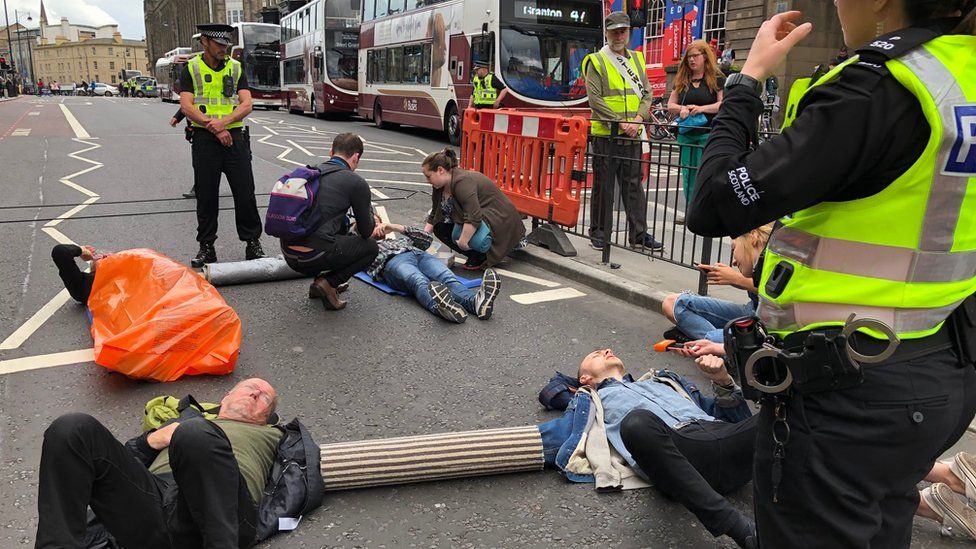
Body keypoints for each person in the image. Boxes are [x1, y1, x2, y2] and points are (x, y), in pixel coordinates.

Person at [687, 2, 976, 546]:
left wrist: (747, 81)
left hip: (848, 392)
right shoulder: (962, 76)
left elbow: (713, 201)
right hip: (942, 375)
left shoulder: (879, 88)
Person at [34, 378, 324, 548]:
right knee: (72, 429)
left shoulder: (275, 435)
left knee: (196, 435)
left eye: (264, 399)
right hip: (153, 502)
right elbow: (115, 467)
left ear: (267, 416)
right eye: (250, 387)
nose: (255, 394)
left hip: (220, 508)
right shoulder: (187, 420)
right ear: (226, 397)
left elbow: (301, 474)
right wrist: (152, 441)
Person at [539, 349, 758, 548]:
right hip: (680, 453)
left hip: (726, 440)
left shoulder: (664, 381)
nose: (607, 350)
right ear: (584, 379)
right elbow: (554, 437)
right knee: (637, 422)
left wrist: (723, 381)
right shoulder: (591, 400)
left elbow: (738, 420)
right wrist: (506, 450)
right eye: (596, 354)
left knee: (783, 409)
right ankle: (741, 529)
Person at [180, 23, 265, 268]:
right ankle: (207, 247)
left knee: (245, 193)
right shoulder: (191, 68)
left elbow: (247, 104)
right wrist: (213, 126)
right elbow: (187, 105)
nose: (223, 49)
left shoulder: (236, 68)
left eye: (226, 44)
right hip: (205, 140)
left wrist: (224, 124)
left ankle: (252, 244)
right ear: (204, 42)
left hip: (235, 138)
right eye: (218, 44)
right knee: (206, 196)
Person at [582, 12, 664, 252]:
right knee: (603, 186)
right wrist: (622, 122)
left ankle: (639, 234)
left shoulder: (638, 59)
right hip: (607, 134)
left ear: (629, 33)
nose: (619, 35)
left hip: (633, 133)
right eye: (614, 31)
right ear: (606, 33)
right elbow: (595, 100)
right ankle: (599, 232)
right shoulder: (595, 60)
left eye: (623, 31)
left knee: (633, 186)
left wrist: (638, 119)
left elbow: (647, 94)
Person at [280, 132, 379, 311]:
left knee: (338, 227)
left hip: (288, 253)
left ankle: (318, 283)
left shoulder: (310, 172)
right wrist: (369, 212)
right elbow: (366, 232)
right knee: (371, 248)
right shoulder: (355, 182)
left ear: (330, 152)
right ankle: (328, 282)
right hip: (313, 256)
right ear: (356, 157)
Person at [361, 215, 503, 323]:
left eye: (379, 223)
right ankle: (441, 308)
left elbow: (427, 239)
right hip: (391, 261)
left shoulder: (399, 240)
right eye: (372, 224)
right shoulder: (362, 247)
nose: (378, 227)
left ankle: (476, 303)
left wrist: (395, 227)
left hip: (418, 254)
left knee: (446, 277)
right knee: (419, 281)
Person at [662, 224, 772, 343]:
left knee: (732, 340)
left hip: (764, 326)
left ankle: (709, 342)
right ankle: (714, 341)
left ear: (753, 237)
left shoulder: (780, 260)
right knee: (672, 303)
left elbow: (775, 294)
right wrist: (729, 278)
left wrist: (735, 278)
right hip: (751, 311)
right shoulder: (762, 260)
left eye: (733, 248)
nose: (734, 262)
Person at [422, 148, 526, 270]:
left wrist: (462, 242)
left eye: (428, 176)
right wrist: (423, 237)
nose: (427, 181)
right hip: (481, 216)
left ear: (440, 170)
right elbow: (435, 212)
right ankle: (476, 255)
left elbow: (473, 216)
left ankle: (482, 255)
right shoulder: (439, 185)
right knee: (439, 226)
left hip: (500, 219)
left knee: (462, 236)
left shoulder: (462, 182)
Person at [667, 40, 725, 205]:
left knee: (704, 172)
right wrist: (682, 109)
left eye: (695, 56)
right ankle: (691, 210)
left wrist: (701, 108)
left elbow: (722, 105)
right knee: (688, 174)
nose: (691, 60)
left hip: (707, 134)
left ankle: (705, 209)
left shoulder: (717, 78)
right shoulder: (682, 79)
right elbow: (671, 105)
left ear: (705, 57)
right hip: (686, 134)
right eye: (689, 57)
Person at [169, 109, 197, 198]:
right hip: (198, 132)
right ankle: (199, 188)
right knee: (199, 164)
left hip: (210, 129)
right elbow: (187, 104)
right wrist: (177, 117)